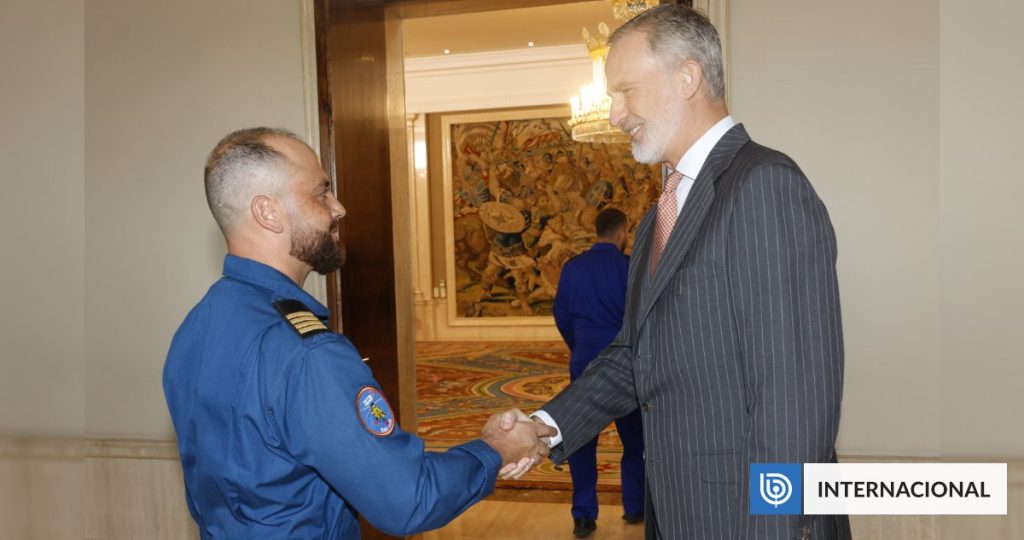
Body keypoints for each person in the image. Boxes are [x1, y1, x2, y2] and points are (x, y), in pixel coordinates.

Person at [514, 6, 852, 539]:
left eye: (625, 91)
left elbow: (793, 406)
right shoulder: (657, 217)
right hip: (679, 514)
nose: (615, 114)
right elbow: (635, 357)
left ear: (687, 77)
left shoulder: (764, 187)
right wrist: (544, 428)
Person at [163, 127, 554, 539]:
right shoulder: (307, 354)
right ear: (268, 212)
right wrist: (495, 451)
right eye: (320, 193)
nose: (339, 207)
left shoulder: (195, 328)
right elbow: (407, 499)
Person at [553, 208, 645, 538]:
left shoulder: (572, 268)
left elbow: (561, 313)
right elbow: (641, 316)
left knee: (581, 442)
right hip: (625, 365)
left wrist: (580, 345)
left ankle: (583, 515)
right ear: (622, 233)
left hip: (585, 362)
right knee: (635, 441)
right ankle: (635, 508)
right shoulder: (631, 266)